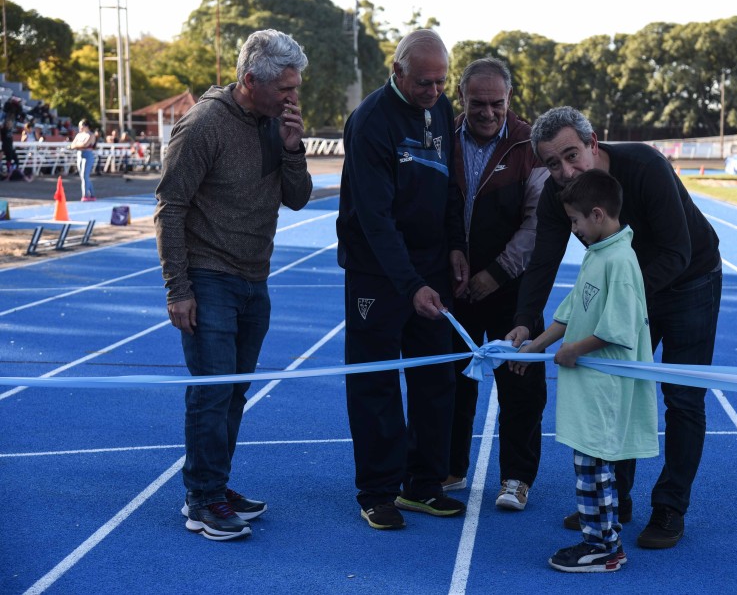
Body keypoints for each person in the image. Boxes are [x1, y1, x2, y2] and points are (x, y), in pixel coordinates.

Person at [506, 106, 721, 549]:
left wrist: (619, 300)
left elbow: (677, 251)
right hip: (625, 287)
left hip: (688, 280)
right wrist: (526, 324)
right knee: (615, 386)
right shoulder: (557, 194)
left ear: (593, 143)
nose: (564, 171)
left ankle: (669, 507)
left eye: (571, 155)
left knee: (682, 398)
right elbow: (542, 261)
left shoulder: (644, 165)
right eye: (552, 163)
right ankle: (614, 498)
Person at [155, 29, 312, 541]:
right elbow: (169, 206)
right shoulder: (203, 125)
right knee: (212, 391)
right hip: (208, 276)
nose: (294, 97)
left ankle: (215, 486)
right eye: (285, 89)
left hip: (254, 278)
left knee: (234, 392)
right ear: (250, 80)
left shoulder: (275, 124)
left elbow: (298, 198)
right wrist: (178, 288)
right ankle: (202, 500)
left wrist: (292, 148)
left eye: (295, 87)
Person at [336, 28, 468, 530]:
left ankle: (424, 485)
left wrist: (455, 244)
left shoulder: (440, 111)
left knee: (437, 377)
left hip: (429, 265)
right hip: (378, 273)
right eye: (423, 83)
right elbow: (374, 217)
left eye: (440, 82)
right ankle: (377, 491)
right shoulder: (370, 121)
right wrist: (411, 284)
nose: (433, 92)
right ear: (397, 73)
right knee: (375, 384)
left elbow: (449, 189)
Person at [513, 169, 658, 572]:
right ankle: (601, 539)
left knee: (595, 470)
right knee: (589, 467)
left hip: (606, 387)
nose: (572, 228)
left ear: (597, 215)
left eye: (575, 221)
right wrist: (535, 346)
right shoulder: (598, 254)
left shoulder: (621, 261)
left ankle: (604, 547)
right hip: (590, 386)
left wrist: (574, 349)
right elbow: (573, 310)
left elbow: (620, 328)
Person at [443, 57, 549, 510]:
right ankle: (449, 466)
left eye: (497, 103)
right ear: (461, 99)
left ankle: (516, 478)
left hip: (510, 287)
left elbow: (537, 224)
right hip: (452, 283)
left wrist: (496, 273)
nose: (488, 112)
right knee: (450, 381)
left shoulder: (529, 143)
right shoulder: (440, 137)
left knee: (521, 384)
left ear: (510, 99)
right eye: (478, 103)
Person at [69, 120, 97, 200]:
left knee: (85, 175)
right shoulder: (79, 135)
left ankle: (85, 195)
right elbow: (72, 144)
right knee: (83, 176)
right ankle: (92, 194)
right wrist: (77, 146)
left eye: (81, 126)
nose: (79, 128)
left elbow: (85, 144)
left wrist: (77, 145)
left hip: (87, 155)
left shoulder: (90, 135)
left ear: (86, 126)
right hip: (79, 155)